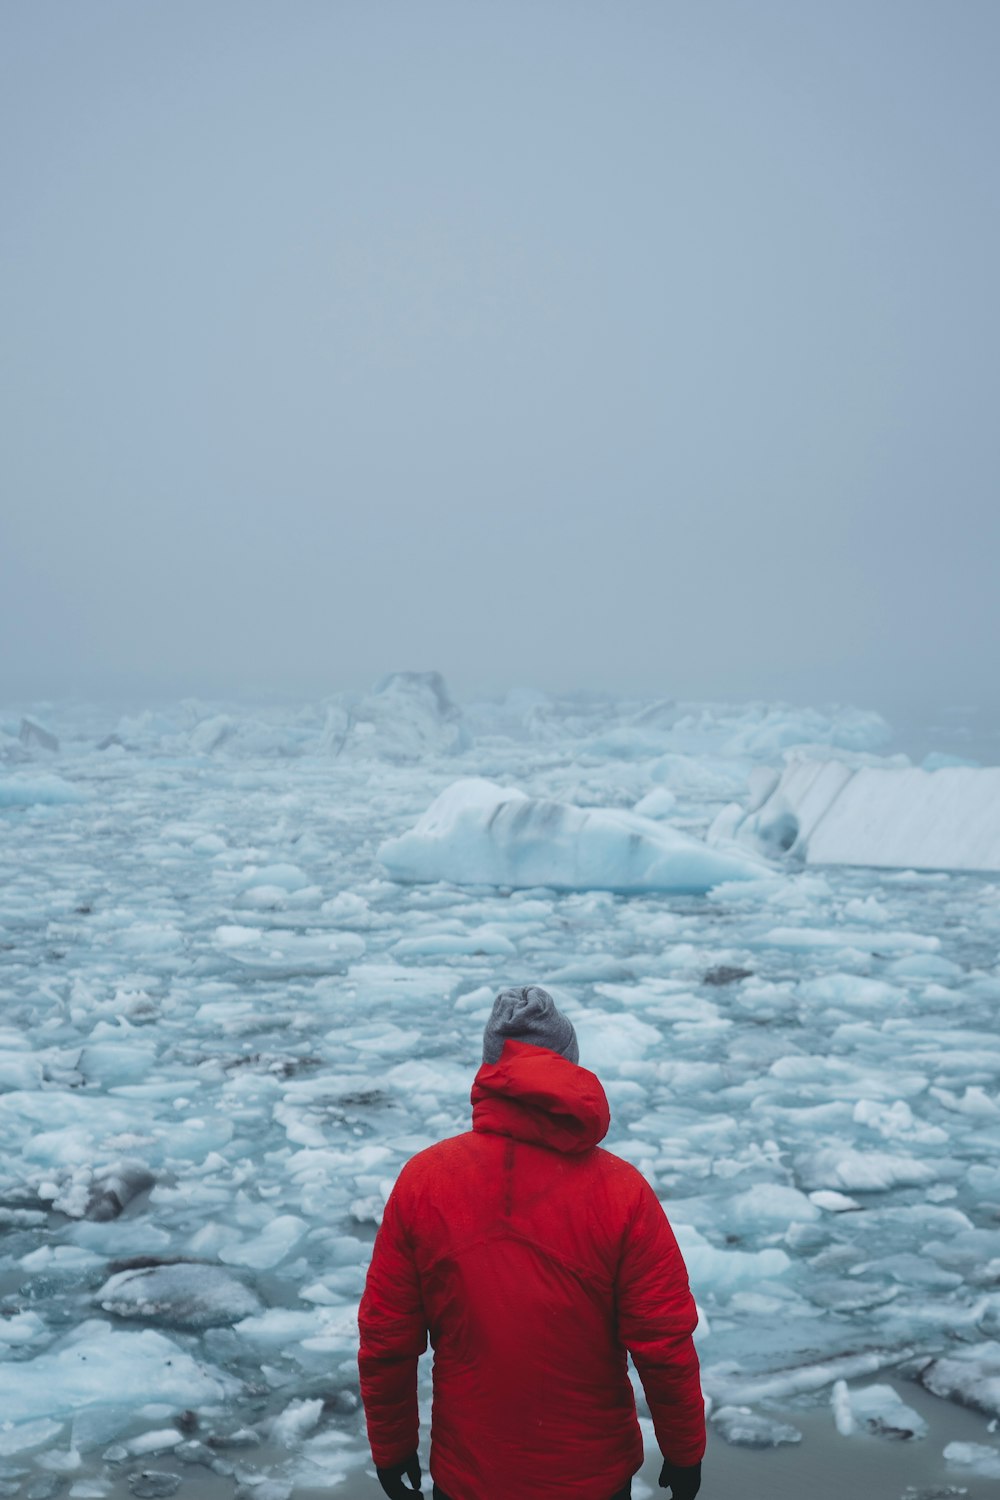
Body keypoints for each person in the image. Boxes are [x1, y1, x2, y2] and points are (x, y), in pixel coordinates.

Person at [358, 985, 705, 1500]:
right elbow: (664, 1344)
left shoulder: (425, 1181)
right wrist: (684, 1452)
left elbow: (387, 1340)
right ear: (570, 1066)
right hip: (591, 1478)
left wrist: (392, 1450)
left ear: (490, 1071)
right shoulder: (622, 1191)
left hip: (470, 1477)